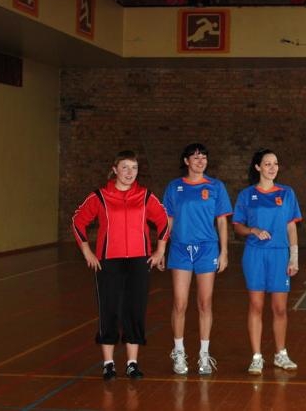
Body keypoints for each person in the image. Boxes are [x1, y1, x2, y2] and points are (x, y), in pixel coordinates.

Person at [72, 150, 169, 381]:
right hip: (109, 262)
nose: (129, 172)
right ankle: (108, 364)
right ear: (115, 170)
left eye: (134, 168)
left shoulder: (145, 196)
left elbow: (163, 220)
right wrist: (87, 251)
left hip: (139, 261)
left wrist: (160, 250)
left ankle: (132, 363)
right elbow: (78, 221)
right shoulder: (100, 196)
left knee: (135, 309)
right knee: (109, 310)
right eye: (124, 167)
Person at [163, 143, 232, 376]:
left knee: (205, 303)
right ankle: (179, 352)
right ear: (186, 161)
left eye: (203, 157)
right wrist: (161, 249)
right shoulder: (174, 187)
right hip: (180, 249)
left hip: (207, 249)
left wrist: (224, 252)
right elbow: (168, 221)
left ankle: (204, 354)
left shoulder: (216, 186)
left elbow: (222, 221)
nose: (200, 161)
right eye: (195, 157)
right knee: (180, 303)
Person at [233, 149, 302, 375]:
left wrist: (294, 257)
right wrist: (252, 230)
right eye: (267, 164)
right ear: (258, 167)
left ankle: (281, 354)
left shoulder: (287, 193)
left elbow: (292, 227)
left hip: (279, 254)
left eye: (275, 163)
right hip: (255, 255)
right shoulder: (246, 195)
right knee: (256, 305)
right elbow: (238, 226)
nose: (273, 168)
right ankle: (256, 356)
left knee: (280, 308)